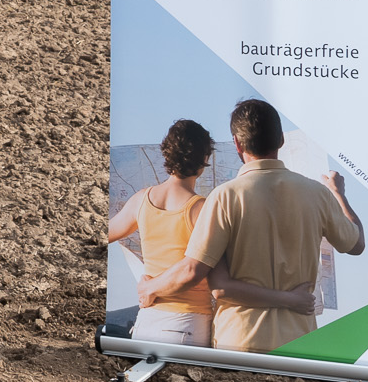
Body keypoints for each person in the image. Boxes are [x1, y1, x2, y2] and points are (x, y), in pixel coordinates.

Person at [139, 99, 363, 353]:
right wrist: (338, 195)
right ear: (281, 140)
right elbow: (356, 245)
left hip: (237, 341)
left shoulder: (224, 197)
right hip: (300, 342)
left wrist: (150, 287)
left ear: (236, 143)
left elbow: (206, 278)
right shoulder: (318, 194)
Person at [110, 118, 316, 347]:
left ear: (166, 155)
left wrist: (148, 286)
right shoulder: (203, 210)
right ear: (205, 160)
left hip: (147, 319)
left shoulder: (141, 200)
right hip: (188, 323)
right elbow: (211, 278)